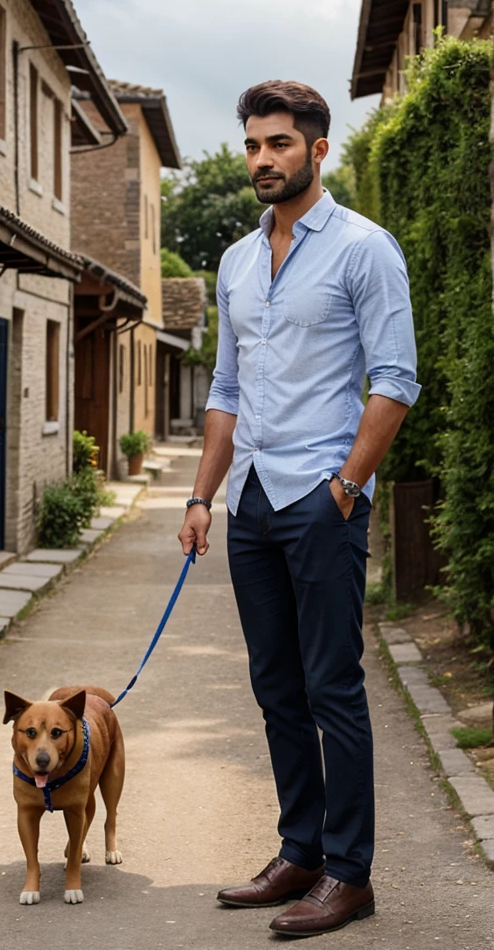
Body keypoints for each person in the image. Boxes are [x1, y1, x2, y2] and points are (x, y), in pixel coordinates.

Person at [178, 81, 420, 938]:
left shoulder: (364, 248)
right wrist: (203, 494)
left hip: (322, 498)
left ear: (317, 150)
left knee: (332, 687)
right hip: (247, 500)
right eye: (251, 145)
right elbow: (227, 387)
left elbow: (395, 380)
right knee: (276, 686)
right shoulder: (238, 262)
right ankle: (301, 850)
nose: (261, 160)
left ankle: (350, 873)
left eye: (278, 144)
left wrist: (346, 489)